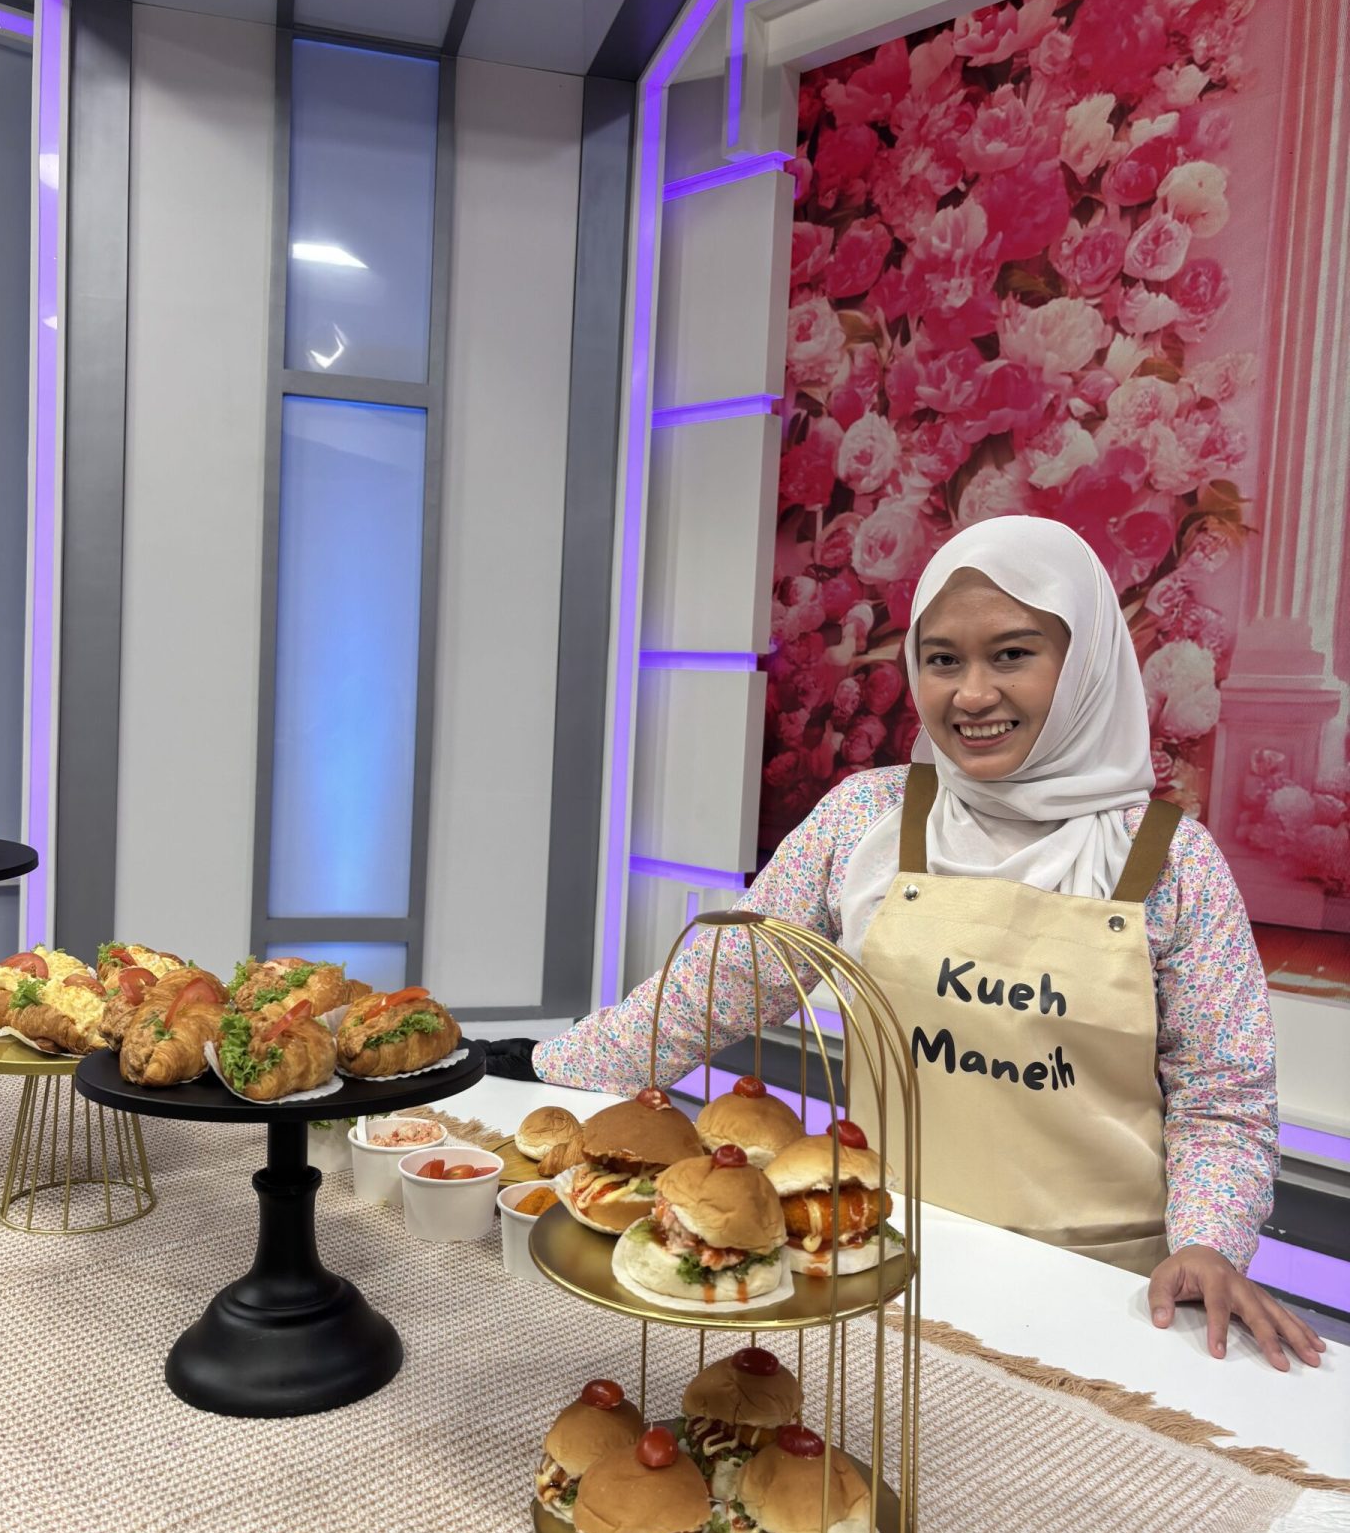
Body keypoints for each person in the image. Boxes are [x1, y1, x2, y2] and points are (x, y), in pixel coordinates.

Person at [533, 517, 1323, 1373]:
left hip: (1104, 1302)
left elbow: (1221, 1097)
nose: (972, 695)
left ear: (1086, 663)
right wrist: (542, 1066)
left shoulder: (1172, 862)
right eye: (943, 660)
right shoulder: (864, 821)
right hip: (874, 1262)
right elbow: (708, 993)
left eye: (1012, 655)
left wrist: (1209, 1242)